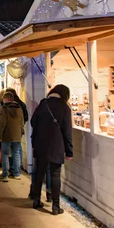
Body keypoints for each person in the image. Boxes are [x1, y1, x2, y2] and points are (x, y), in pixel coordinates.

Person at [30, 84, 73, 215]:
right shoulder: (64, 108)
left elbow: (33, 122)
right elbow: (67, 131)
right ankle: (55, 206)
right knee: (55, 174)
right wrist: (69, 151)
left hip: (40, 144)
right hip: (56, 145)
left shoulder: (43, 104)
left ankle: (36, 200)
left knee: (39, 172)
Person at [0, 92, 24, 182]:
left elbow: (2, 124)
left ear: (6, 99)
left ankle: (5, 175)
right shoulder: (19, 108)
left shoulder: (4, 109)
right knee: (16, 153)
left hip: (6, 135)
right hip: (17, 135)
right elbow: (22, 122)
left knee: (5, 154)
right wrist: (21, 132)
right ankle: (17, 173)